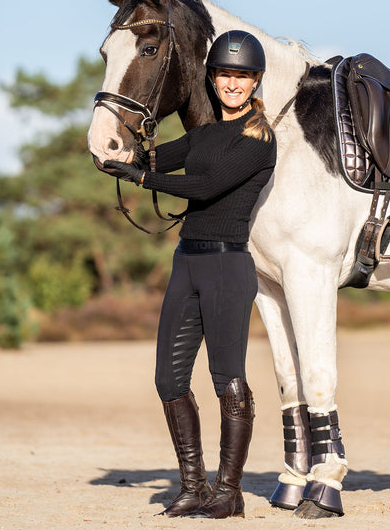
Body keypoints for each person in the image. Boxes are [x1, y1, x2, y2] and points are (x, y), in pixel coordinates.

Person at [100, 30, 276, 519]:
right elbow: (155, 157)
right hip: (187, 263)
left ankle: (229, 491)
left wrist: (138, 178)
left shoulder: (259, 142)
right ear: (212, 78)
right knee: (168, 379)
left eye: (241, 76)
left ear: (255, 81)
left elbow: (204, 185)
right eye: (224, 74)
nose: (232, 84)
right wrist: (121, 153)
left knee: (227, 379)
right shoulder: (202, 135)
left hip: (227, 266)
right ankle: (194, 486)